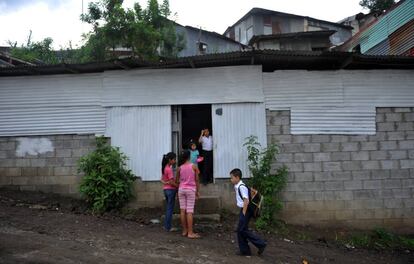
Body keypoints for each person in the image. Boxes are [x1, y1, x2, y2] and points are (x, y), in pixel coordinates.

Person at [230, 168, 266, 256]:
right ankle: (245, 250)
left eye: (232, 177)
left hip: (246, 210)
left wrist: (243, 213)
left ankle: (260, 244)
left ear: (237, 177)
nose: (230, 179)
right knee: (240, 230)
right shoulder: (238, 185)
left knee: (242, 230)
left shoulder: (241, 187)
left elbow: (246, 201)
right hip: (244, 210)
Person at [176, 150, 201, 239]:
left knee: (182, 210)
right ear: (189, 157)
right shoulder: (194, 167)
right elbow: (197, 180)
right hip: (191, 190)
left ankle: (184, 231)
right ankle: (190, 233)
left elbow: (177, 181)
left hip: (181, 189)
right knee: (189, 211)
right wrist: (197, 191)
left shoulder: (179, 168)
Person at [160, 152, 178, 232]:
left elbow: (162, 180)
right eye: (174, 159)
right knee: (170, 209)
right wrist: (178, 186)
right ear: (170, 160)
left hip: (165, 190)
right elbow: (171, 182)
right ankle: (168, 227)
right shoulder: (169, 169)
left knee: (168, 208)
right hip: (171, 190)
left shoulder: (164, 168)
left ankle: (166, 226)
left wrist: (166, 183)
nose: (175, 161)